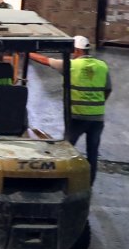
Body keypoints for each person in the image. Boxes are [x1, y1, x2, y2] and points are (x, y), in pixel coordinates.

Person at [30, 35, 111, 181]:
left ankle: (60, 180)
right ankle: (89, 183)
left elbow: (45, 60)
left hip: (77, 117)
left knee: (66, 148)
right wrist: (96, 104)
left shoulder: (71, 65)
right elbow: (108, 89)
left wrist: (26, 52)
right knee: (92, 152)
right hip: (97, 118)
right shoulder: (102, 66)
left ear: (77, 50)